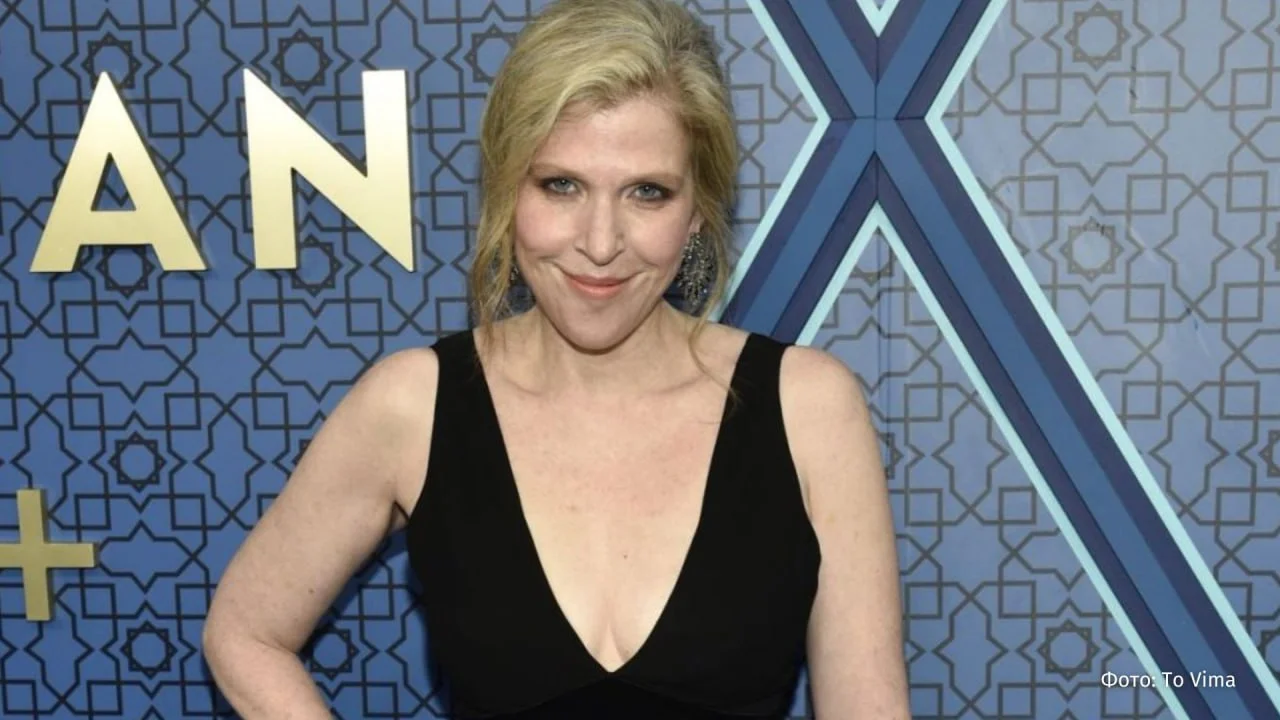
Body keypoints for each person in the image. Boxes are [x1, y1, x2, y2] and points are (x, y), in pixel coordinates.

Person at [202, 0, 910, 717]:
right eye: (561, 185)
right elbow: (245, 633)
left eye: (647, 192)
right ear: (508, 188)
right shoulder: (413, 408)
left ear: (698, 209)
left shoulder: (808, 409)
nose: (600, 243)